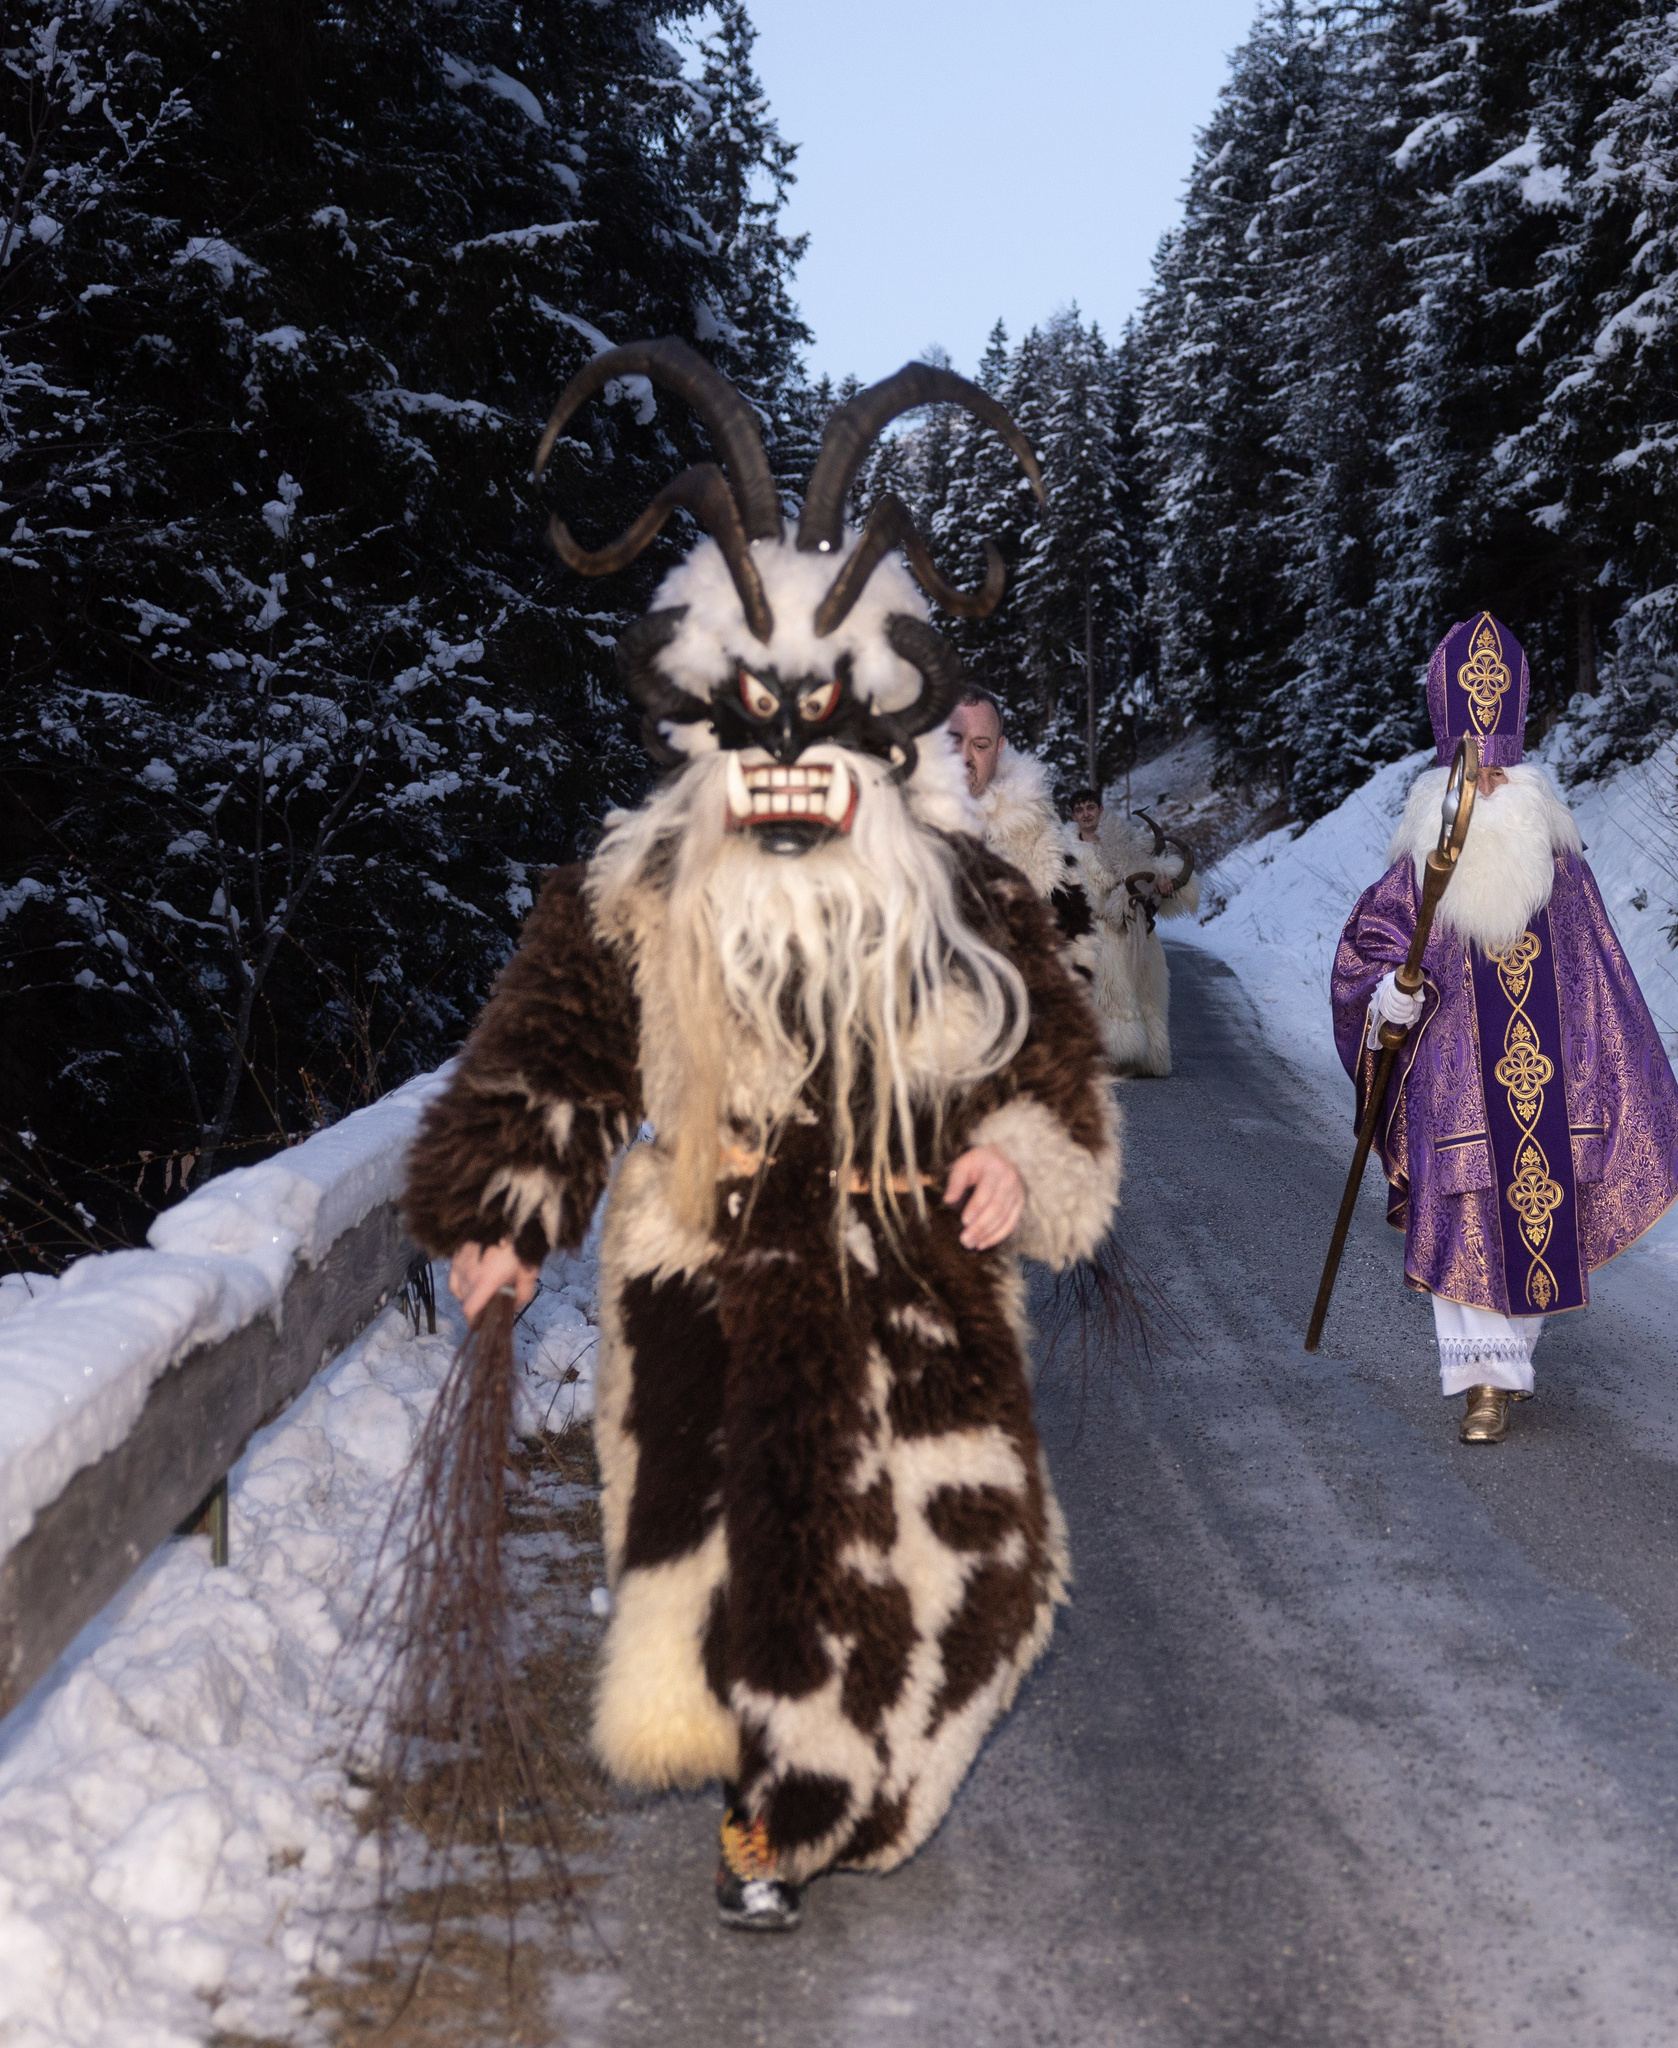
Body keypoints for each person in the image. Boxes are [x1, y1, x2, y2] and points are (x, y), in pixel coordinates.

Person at [401, 343, 1119, 1933]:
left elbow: (1053, 1060)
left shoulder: (968, 898)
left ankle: (842, 1793)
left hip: (912, 1287)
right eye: (757, 723)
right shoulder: (638, 890)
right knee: (735, 1570)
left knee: (958, 1583)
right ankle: (769, 1813)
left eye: (823, 725)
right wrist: (509, 1215)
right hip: (706, 1270)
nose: (791, 757)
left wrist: (1018, 1157)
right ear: (708, 727)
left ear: (872, 736)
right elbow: (553, 1054)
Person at [1328, 613, 1678, 1442]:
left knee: (1538, 1207)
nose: (1489, 786)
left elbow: (1600, 980)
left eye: (1500, 770)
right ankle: (1482, 1384)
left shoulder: (1559, 866)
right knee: (1463, 1206)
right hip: (1452, 1079)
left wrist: (1606, 1073)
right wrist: (1388, 994)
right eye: (1474, 771)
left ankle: (1512, 1361)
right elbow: (1368, 953)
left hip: (1544, 1080)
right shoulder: (1416, 863)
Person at [1055, 785, 1199, 1077]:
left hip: (1135, 929)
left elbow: (1151, 875)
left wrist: (1163, 884)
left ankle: (1149, 1057)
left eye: (1090, 808)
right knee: (1104, 993)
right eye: (1079, 810)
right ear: (1072, 815)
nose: (1085, 814)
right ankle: (1110, 1056)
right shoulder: (1063, 850)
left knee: (1147, 992)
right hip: (1092, 931)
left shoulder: (1127, 843)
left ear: (1100, 810)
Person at [950, 685, 1067, 896]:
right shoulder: (892, 820)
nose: (964, 757)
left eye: (981, 745)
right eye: (953, 741)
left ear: (998, 749)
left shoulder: (1039, 841)